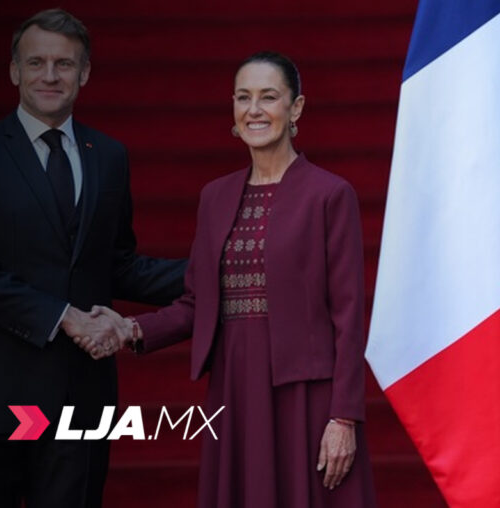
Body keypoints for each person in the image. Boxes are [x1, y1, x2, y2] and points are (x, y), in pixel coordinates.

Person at [85, 52, 377, 507]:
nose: (254, 109)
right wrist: (131, 329)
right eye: (244, 97)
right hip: (236, 387)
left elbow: (349, 316)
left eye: (269, 97)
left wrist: (344, 417)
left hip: (306, 395)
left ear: (296, 108)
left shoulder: (330, 194)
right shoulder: (215, 196)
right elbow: (197, 302)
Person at [0, 8, 186, 508]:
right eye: (37, 63)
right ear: (14, 71)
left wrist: (225, 272)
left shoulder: (108, 155)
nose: (50, 76)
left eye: (64, 64)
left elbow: (116, 264)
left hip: (79, 400)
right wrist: (63, 316)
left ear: (84, 72)